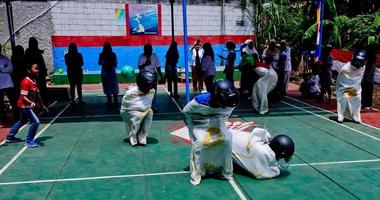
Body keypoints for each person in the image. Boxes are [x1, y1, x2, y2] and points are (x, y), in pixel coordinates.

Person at [183, 79, 239, 185]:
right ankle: (197, 173)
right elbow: (186, 111)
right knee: (200, 143)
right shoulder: (200, 101)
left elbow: (226, 114)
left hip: (218, 120)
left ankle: (224, 170)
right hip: (198, 121)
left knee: (227, 140)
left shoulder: (233, 100)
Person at [5, 63, 49, 148]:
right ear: (29, 70)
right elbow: (23, 96)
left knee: (22, 121)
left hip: (27, 105)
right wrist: (31, 102)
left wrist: (42, 105)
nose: (37, 70)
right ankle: (29, 141)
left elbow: (37, 93)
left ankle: (10, 137)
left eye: (38, 68)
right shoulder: (25, 82)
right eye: (35, 69)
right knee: (36, 122)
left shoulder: (34, 80)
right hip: (24, 106)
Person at [120, 71, 155, 146]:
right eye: (147, 86)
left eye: (150, 85)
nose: (148, 88)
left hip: (143, 111)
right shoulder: (130, 93)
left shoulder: (152, 91)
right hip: (128, 112)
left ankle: (142, 136)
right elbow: (125, 107)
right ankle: (133, 136)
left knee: (150, 113)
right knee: (138, 116)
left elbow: (146, 104)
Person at [333, 50, 367, 123]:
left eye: (360, 62)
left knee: (357, 101)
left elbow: (358, 78)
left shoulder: (363, 67)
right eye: (357, 61)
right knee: (343, 100)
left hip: (356, 88)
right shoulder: (345, 68)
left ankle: (356, 117)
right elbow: (340, 80)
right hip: (344, 86)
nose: (358, 63)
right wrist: (344, 89)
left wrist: (355, 88)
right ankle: (341, 117)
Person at [138, 43, 163, 112]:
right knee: (144, 92)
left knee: (153, 92)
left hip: (152, 75)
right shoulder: (142, 57)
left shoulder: (154, 56)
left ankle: (153, 106)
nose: (149, 51)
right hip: (143, 76)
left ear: (151, 50)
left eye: (150, 50)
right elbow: (140, 67)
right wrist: (145, 64)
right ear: (145, 50)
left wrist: (161, 77)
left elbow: (158, 67)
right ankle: (144, 106)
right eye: (147, 50)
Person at [0, 44, 18, 122]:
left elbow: (11, 68)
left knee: (12, 100)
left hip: (8, 83)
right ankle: (2, 116)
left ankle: (16, 114)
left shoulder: (5, 58)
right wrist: (4, 68)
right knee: (0, 101)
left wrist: (2, 69)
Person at [98, 42, 119, 107]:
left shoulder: (102, 54)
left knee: (107, 87)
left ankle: (110, 102)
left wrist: (104, 62)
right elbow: (115, 64)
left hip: (105, 72)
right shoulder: (113, 54)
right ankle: (115, 102)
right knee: (114, 87)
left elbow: (99, 63)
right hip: (111, 72)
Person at [361, 43, 377, 110]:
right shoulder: (367, 59)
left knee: (368, 89)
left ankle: (368, 104)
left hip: (369, 77)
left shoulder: (372, 58)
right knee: (364, 89)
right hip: (366, 76)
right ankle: (364, 103)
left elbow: (370, 69)